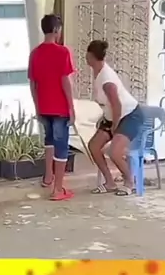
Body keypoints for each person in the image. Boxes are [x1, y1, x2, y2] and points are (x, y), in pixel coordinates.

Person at [86, 40, 144, 195]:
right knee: (94, 146)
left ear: (90, 56)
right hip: (112, 116)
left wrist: (115, 126)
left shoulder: (107, 80)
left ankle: (130, 181)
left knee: (114, 152)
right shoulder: (98, 72)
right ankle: (109, 182)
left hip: (129, 115)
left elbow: (117, 105)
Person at [28, 14, 75, 201]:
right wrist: (71, 107)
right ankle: (58, 189)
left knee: (49, 140)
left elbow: (33, 84)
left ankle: (48, 177)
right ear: (56, 30)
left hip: (44, 106)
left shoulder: (35, 53)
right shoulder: (63, 52)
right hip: (60, 108)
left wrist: (37, 106)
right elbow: (65, 81)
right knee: (61, 146)